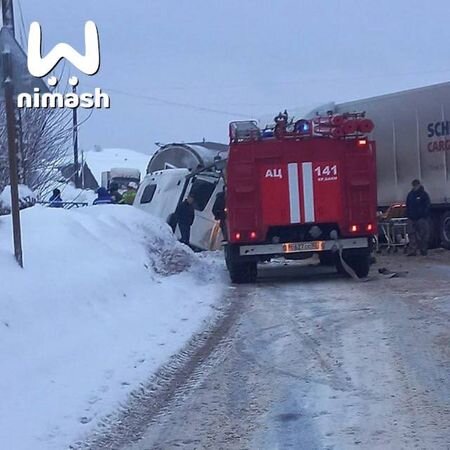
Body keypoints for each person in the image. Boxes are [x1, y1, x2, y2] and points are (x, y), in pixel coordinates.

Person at [406, 179, 431, 256]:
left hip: (421, 218)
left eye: (416, 185)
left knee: (423, 235)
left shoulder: (424, 195)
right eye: (414, 185)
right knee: (411, 234)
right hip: (411, 218)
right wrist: (409, 215)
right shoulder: (410, 195)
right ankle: (412, 251)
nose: (415, 187)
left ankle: (423, 250)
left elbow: (427, 205)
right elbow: (408, 205)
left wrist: (423, 215)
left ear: (419, 185)